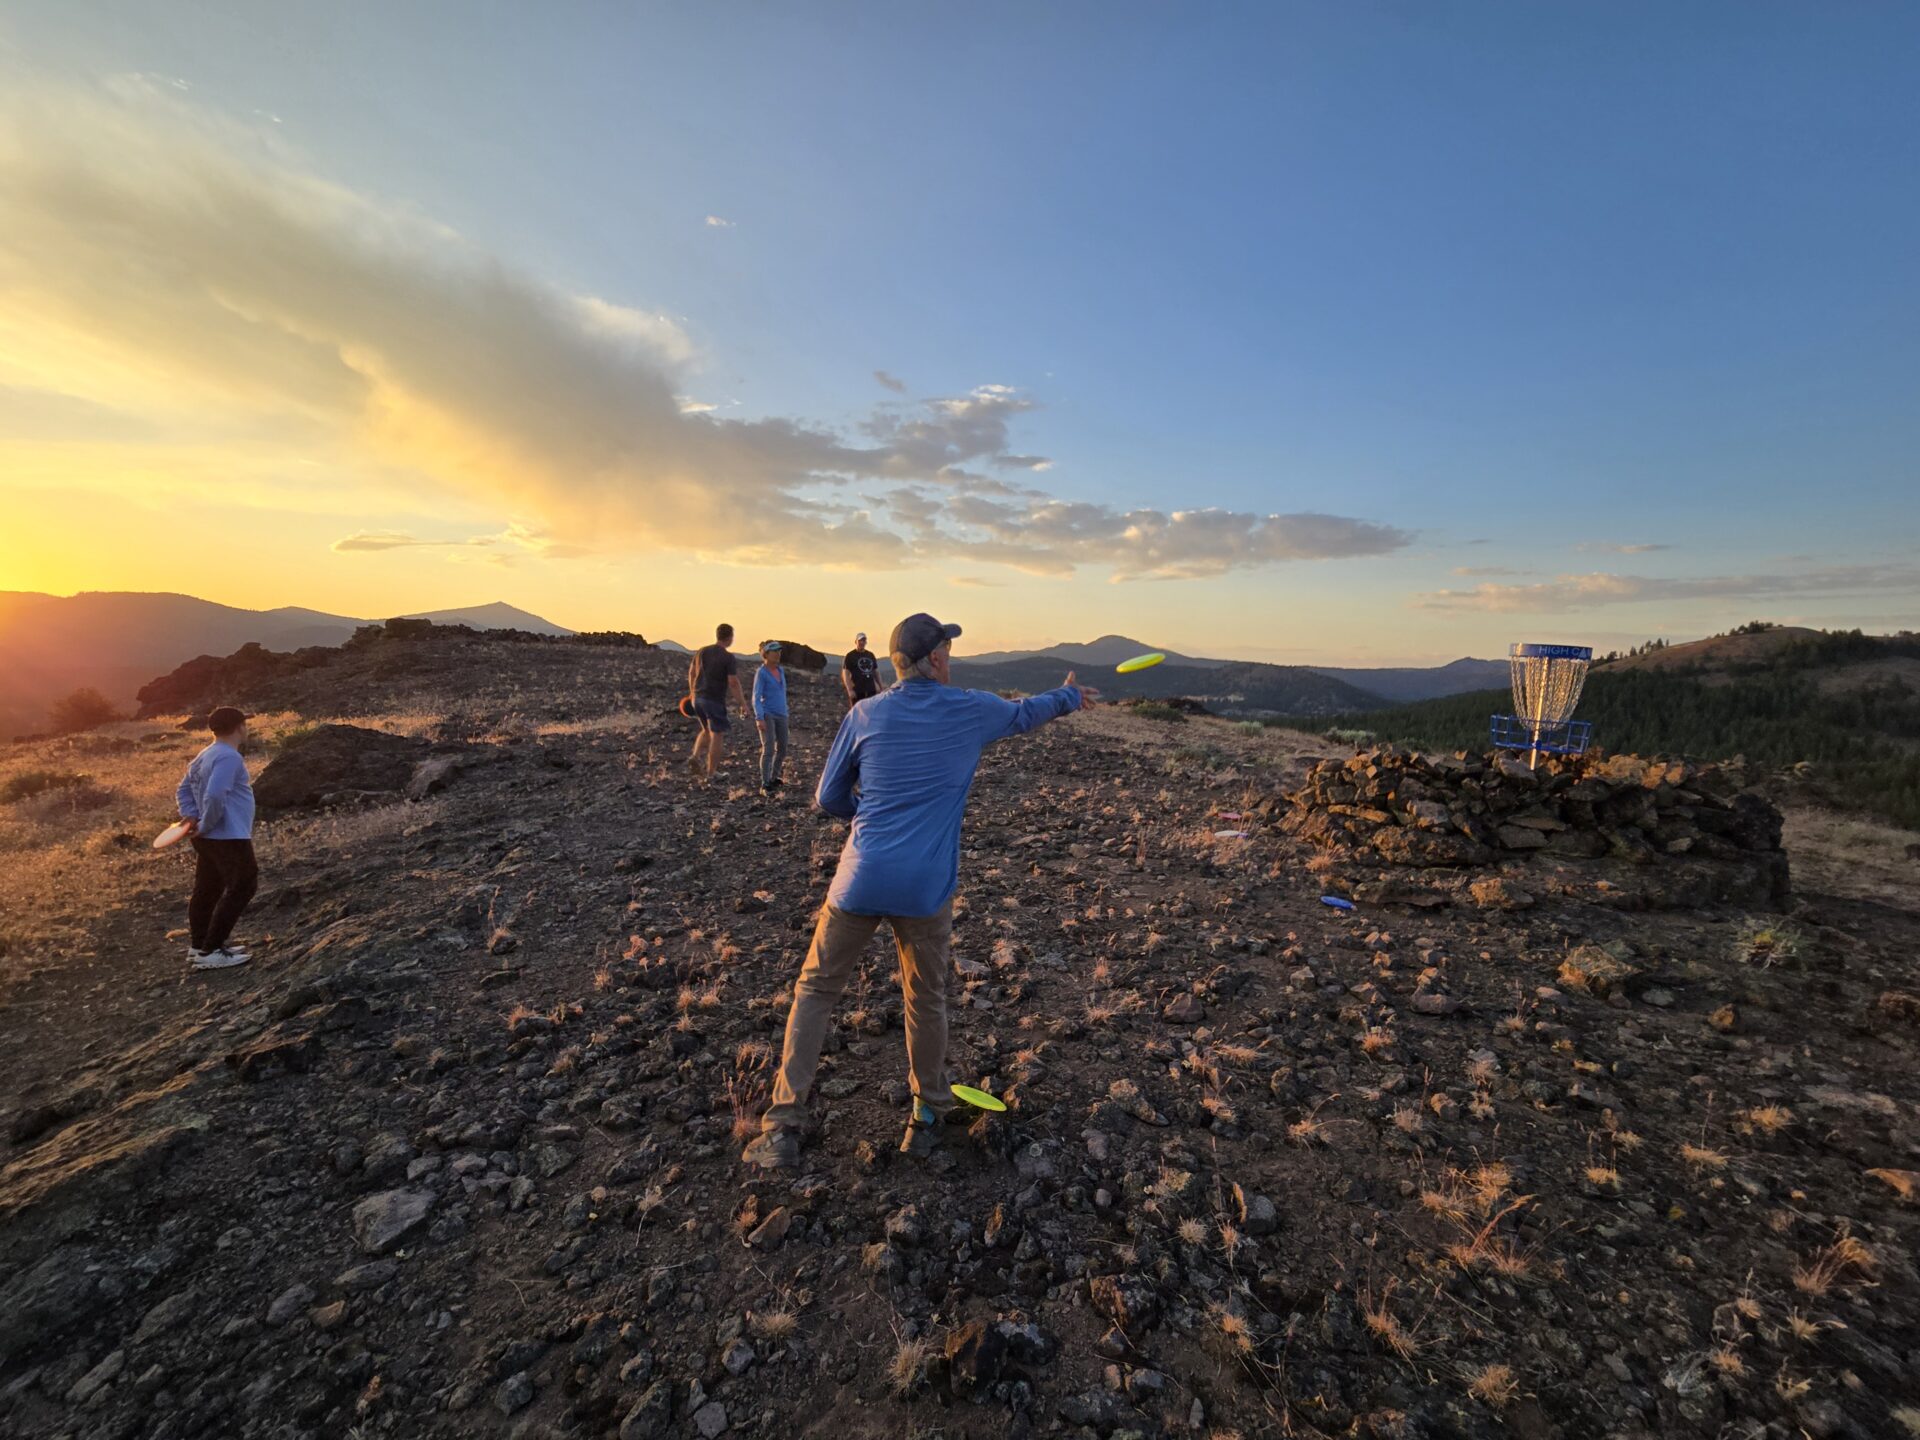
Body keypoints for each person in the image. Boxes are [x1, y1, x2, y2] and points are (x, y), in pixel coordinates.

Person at [744, 612, 1098, 1169]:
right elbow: (1029, 713)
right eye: (948, 650)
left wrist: (871, 818)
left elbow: (827, 798)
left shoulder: (864, 714)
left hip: (858, 881)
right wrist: (1070, 697)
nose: (951, 657)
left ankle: (783, 1127)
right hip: (925, 889)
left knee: (815, 993)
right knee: (924, 999)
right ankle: (927, 1112)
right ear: (935, 659)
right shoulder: (971, 710)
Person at [174, 706, 258, 971]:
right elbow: (215, 794)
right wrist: (206, 823)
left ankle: (199, 946)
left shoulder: (205, 754)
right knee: (244, 885)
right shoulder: (228, 757)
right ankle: (211, 950)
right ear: (239, 727)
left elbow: (182, 790)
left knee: (207, 889)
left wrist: (190, 818)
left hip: (208, 836)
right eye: (245, 724)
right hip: (227, 834)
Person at [686, 622, 748, 778]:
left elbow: (692, 672)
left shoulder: (702, 651)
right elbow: (733, 682)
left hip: (697, 698)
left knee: (706, 730)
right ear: (730, 638)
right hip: (713, 700)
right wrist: (743, 704)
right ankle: (711, 773)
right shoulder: (728, 658)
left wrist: (692, 692)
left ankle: (695, 756)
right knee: (717, 734)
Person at [753, 639, 790, 794]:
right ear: (766, 654)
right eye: (775, 651)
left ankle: (774, 778)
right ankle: (765, 783)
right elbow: (756, 696)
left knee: (782, 748)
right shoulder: (762, 673)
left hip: (782, 714)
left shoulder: (780, 671)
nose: (778, 653)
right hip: (768, 714)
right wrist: (759, 717)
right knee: (769, 749)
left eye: (779, 651)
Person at [842, 631, 881, 710]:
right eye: (860, 641)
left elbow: (876, 672)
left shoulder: (870, 655)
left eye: (864, 640)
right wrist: (850, 690)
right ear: (856, 642)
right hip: (857, 690)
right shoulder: (850, 656)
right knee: (857, 712)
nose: (862, 642)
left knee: (870, 711)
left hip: (870, 689)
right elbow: (845, 674)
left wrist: (880, 686)